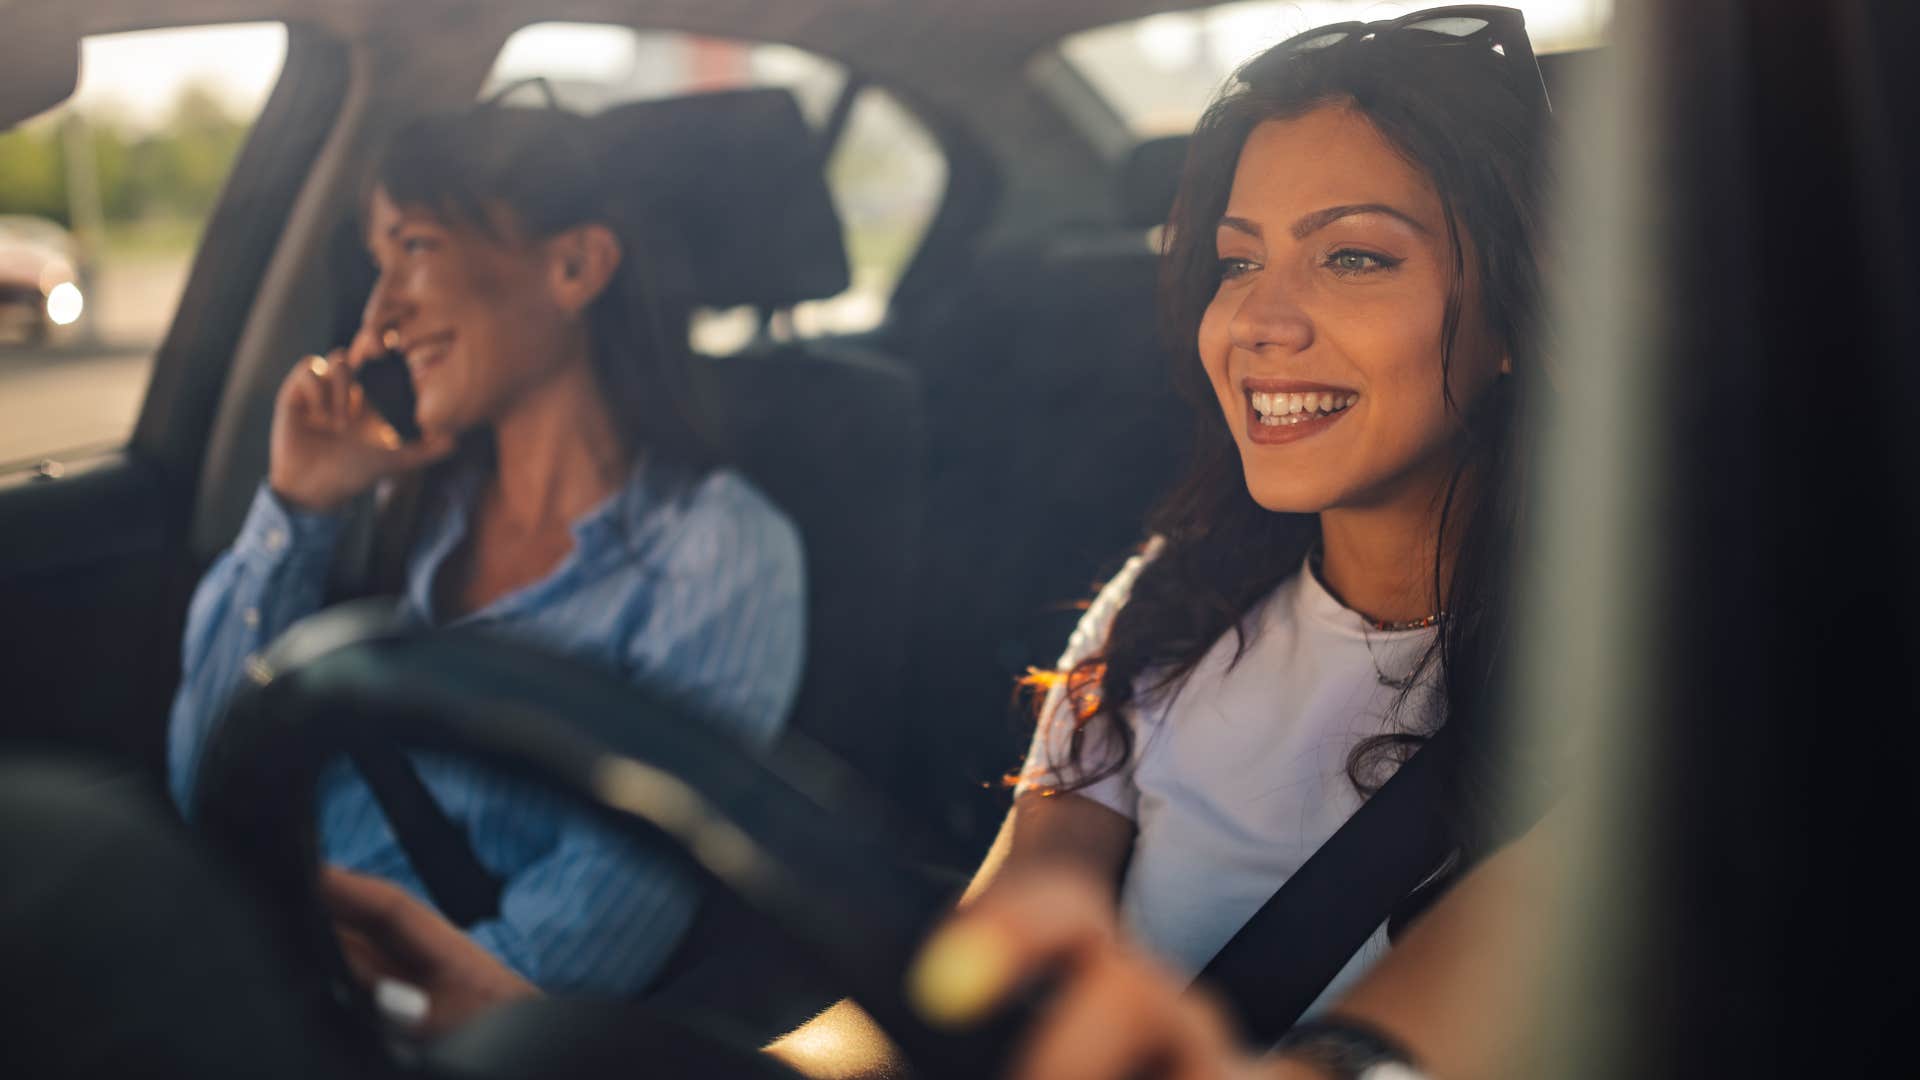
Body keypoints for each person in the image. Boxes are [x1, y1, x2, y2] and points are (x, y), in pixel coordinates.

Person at [322, 2, 1558, 1063]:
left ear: (1507, 313)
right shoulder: (1167, 603)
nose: (1262, 322)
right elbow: (979, 976)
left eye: (1351, 257)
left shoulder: (1614, 701)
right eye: (1236, 265)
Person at [166, 101, 807, 1001]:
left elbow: (585, 942)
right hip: (257, 957)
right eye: (377, 265)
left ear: (576, 265)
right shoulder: (410, 498)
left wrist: (367, 999)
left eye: (416, 248)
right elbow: (209, 780)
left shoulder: (719, 554)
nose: (381, 313)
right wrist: (299, 510)